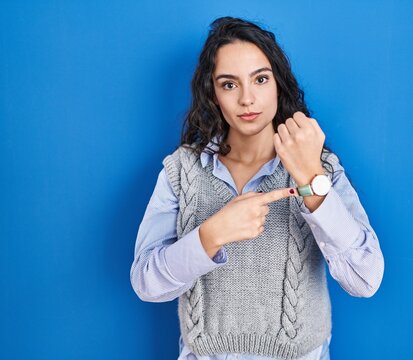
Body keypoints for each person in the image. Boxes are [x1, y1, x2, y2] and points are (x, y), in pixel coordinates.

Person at [130, 16, 384, 360]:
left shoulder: (320, 167)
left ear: (278, 83)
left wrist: (310, 179)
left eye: (260, 79)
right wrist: (210, 235)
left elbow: (365, 279)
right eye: (229, 84)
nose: (247, 99)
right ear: (213, 93)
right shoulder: (182, 171)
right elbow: (147, 283)